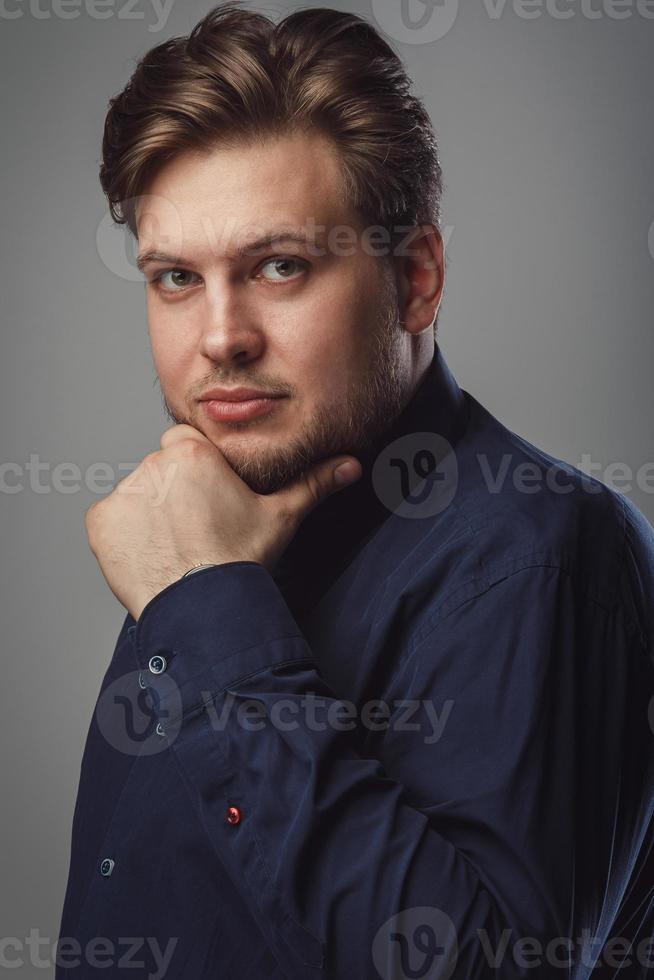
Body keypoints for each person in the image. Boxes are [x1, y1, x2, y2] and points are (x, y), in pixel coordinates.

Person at [56, 3, 654, 977]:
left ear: (416, 277)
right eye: (174, 278)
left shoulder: (540, 555)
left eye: (279, 266)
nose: (220, 336)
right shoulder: (201, 518)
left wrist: (206, 606)